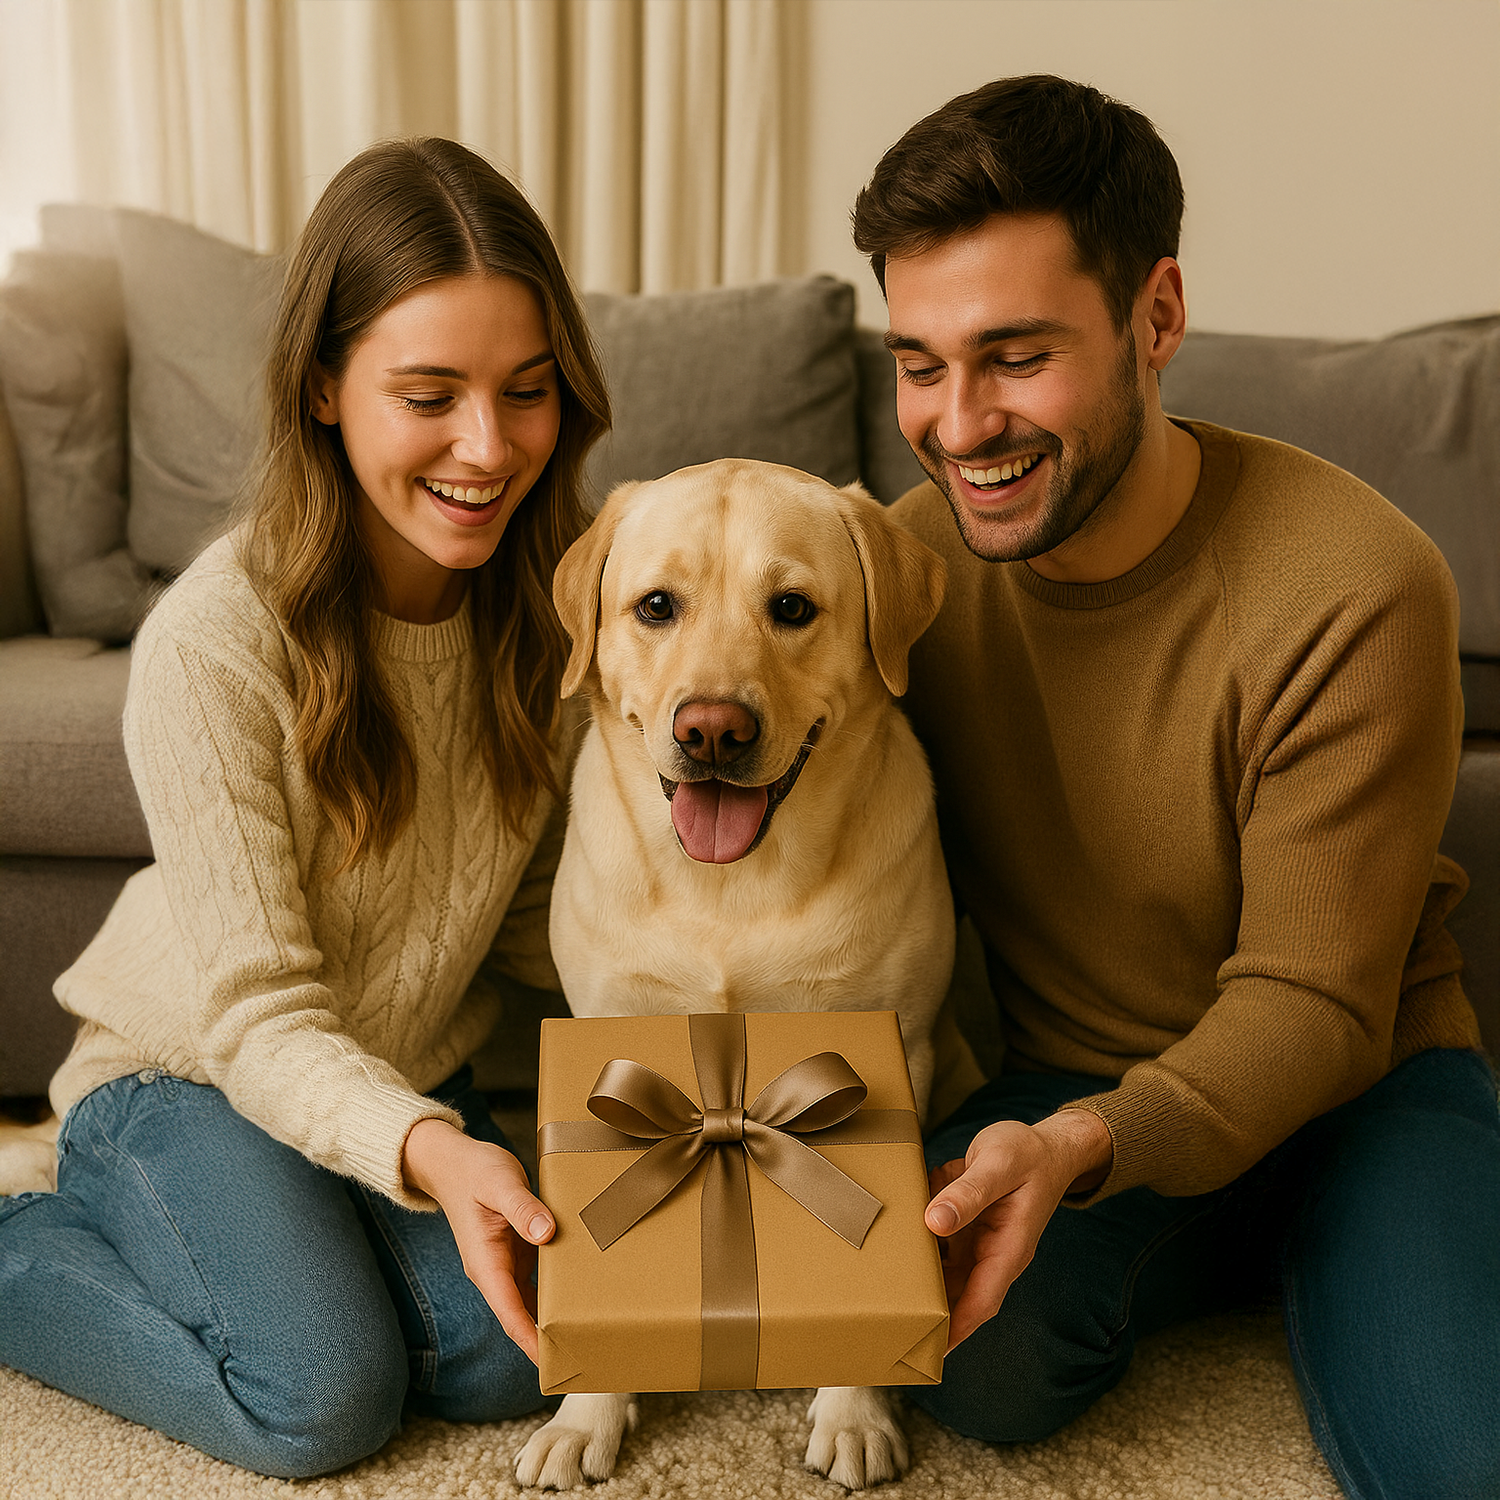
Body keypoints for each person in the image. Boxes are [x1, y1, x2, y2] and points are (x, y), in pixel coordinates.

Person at [852, 75, 1500, 1497]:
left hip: (1361, 1084)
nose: (960, 426)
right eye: (918, 362)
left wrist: (1089, 1144)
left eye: (1015, 356)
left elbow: (1314, 1003)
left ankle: (1369, 1255)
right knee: (966, 1352)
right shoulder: (900, 575)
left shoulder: (1354, 584)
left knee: (1459, 1458)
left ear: (1157, 317)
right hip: (1063, 1078)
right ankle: (1211, 1259)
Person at [0, 137, 609, 1478]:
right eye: (429, 394)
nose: (487, 446)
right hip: (193, 1074)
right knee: (324, 1398)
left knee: (520, 1355)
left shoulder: (561, 609)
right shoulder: (218, 637)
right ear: (327, 388)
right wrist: (439, 1153)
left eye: (526, 391)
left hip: (396, 1072)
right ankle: (25, 1228)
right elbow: (263, 1019)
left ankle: (295, 1237)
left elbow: (537, 931)